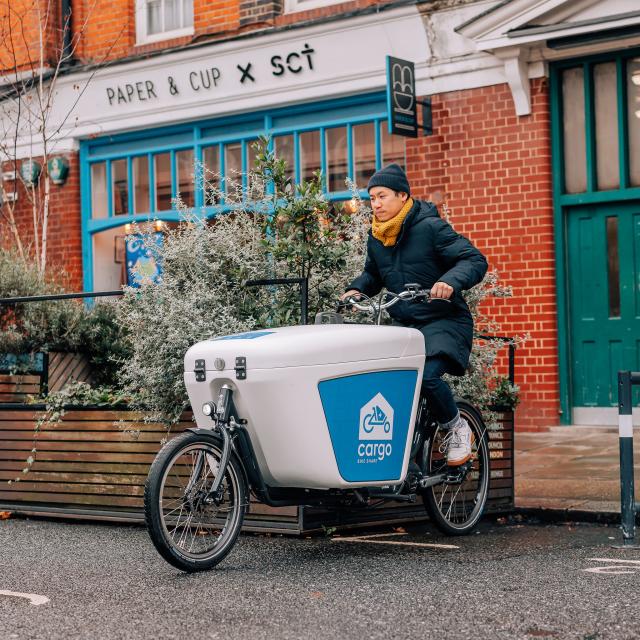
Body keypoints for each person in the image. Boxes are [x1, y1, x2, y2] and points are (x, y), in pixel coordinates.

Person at [342, 164, 488, 466]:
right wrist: (356, 290)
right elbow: (373, 274)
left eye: (382, 196)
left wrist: (449, 282)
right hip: (406, 325)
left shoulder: (430, 227)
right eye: (372, 198)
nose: (376, 204)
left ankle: (456, 427)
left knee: (427, 375)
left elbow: (473, 259)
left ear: (402, 195)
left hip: (443, 320)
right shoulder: (377, 237)